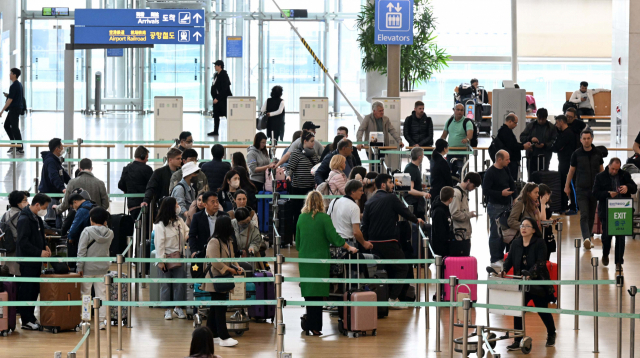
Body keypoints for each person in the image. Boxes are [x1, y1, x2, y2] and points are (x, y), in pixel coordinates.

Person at [296, 191, 358, 335]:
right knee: (318, 293)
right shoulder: (324, 218)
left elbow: (298, 244)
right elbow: (334, 238)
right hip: (320, 260)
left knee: (309, 293)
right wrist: (349, 247)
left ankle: (309, 322)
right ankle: (315, 327)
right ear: (320, 202)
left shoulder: (301, 218)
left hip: (305, 259)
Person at [361, 174, 423, 305]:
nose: (393, 185)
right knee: (402, 268)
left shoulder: (369, 202)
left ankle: (381, 297)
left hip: (373, 243)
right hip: (389, 241)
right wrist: (416, 219)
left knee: (381, 270)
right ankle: (392, 299)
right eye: (390, 182)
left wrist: (366, 242)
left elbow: (364, 225)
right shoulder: (391, 198)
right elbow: (405, 212)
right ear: (383, 185)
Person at [502, 217, 557, 349]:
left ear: (533, 230)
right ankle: (517, 339)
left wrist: (529, 274)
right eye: (522, 226)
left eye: (527, 226)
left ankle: (551, 333)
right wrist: (503, 270)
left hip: (537, 283)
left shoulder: (540, 243)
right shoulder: (515, 243)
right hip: (521, 284)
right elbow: (509, 260)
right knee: (518, 310)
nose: (523, 228)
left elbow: (540, 263)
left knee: (542, 310)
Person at [202, 216, 242, 347]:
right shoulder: (214, 241)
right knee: (220, 307)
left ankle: (211, 334)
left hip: (223, 277)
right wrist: (229, 269)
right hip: (215, 278)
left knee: (215, 307)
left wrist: (237, 266)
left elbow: (232, 257)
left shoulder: (228, 241)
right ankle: (223, 336)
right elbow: (215, 262)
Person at [593, 158, 637, 270]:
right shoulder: (600, 177)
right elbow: (595, 194)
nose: (614, 171)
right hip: (607, 212)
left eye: (616, 169)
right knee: (607, 237)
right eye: (612, 169)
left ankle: (619, 263)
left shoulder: (625, 175)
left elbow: (634, 188)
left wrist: (627, 187)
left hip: (622, 211)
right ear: (608, 166)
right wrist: (607, 194)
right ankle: (605, 254)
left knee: (621, 238)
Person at [16, 193, 51, 330]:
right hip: (28, 260)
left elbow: (40, 235)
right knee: (27, 289)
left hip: (36, 260)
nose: (45, 210)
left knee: (34, 289)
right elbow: (23, 242)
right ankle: (26, 320)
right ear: (37, 204)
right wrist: (38, 252)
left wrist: (45, 246)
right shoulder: (24, 219)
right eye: (45, 207)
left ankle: (30, 317)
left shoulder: (37, 218)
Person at [565, 128, 604, 250]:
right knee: (584, 214)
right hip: (581, 188)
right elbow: (571, 171)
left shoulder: (598, 153)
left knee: (592, 214)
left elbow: (601, 169)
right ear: (581, 140)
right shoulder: (576, 154)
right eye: (584, 139)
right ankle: (586, 238)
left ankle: (589, 237)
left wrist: (605, 185)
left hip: (595, 189)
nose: (586, 141)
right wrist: (567, 186)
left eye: (588, 138)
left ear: (592, 139)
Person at [76, 207, 113, 330]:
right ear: (105, 221)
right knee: (102, 295)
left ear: (91, 219)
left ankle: (85, 320)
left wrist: (79, 267)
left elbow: (81, 251)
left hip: (87, 268)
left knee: (86, 294)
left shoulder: (87, 231)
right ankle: (102, 321)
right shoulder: (110, 233)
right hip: (102, 268)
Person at [153, 197, 189, 320]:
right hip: (165, 258)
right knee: (165, 285)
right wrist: (161, 261)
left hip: (178, 257)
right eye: (176, 204)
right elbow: (159, 243)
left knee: (179, 283)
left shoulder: (179, 221)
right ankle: (167, 309)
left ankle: (178, 307)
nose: (178, 206)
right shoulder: (160, 224)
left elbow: (186, 233)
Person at [483, 150, 516, 269]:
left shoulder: (506, 169)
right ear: (499, 159)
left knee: (506, 233)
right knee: (496, 233)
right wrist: (501, 193)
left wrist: (515, 197)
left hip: (507, 206)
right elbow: (486, 191)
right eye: (507, 159)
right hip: (495, 206)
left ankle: (505, 256)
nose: (509, 161)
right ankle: (495, 258)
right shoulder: (490, 173)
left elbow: (512, 183)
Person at [286, 131, 321, 227]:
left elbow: (317, 167)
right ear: (305, 141)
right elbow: (290, 167)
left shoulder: (313, 154)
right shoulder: (296, 153)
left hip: (310, 188)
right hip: (298, 188)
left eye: (314, 141)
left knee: (309, 213)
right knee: (297, 214)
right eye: (311, 141)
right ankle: (296, 236)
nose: (313, 143)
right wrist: (288, 175)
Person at [327, 180, 373, 251]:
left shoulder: (334, 201)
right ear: (353, 192)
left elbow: (328, 220)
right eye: (360, 190)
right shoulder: (354, 207)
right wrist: (364, 243)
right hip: (347, 244)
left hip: (333, 242)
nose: (362, 193)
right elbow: (356, 232)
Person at [39, 138, 71, 228]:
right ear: (57, 149)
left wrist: (72, 183)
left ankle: (58, 234)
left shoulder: (55, 160)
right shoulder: (50, 161)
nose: (63, 149)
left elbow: (63, 174)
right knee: (51, 220)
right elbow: (54, 177)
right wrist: (62, 188)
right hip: (50, 195)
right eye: (62, 147)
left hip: (55, 195)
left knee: (57, 216)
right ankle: (54, 238)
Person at [189, 191, 229, 258]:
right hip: (203, 252)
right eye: (213, 202)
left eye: (217, 201)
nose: (216, 204)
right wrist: (193, 251)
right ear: (205, 204)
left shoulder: (225, 216)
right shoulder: (197, 217)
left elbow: (231, 235)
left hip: (221, 252)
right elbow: (192, 235)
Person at [551, 115, 578, 214]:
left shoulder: (568, 134)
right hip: (562, 162)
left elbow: (557, 147)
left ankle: (574, 207)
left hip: (568, 163)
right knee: (563, 183)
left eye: (557, 122)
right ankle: (564, 205)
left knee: (570, 184)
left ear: (561, 122)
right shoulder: (562, 133)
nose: (556, 125)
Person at [119, 146, 153, 221]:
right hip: (144, 204)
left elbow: (120, 185)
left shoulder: (126, 168)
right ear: (142, 156)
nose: (147, 159)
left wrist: (127, 190)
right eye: (147, 157)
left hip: (132, 206)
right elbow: (152, 186)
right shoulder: (147, 169)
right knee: (145, 229)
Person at [520, 108, 557, 176]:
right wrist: (530, 139)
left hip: (545, 155)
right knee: (531, 176)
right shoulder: (531, 125)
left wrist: (545, 145)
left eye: (542, 119)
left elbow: (554, 141)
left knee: (543, 176)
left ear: (546, 118)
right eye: (539, 119)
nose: (540, 121)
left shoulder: (551, 127)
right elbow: (522, 137)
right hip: (531, 154)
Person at [441, 103, 474, 177]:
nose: (460, 112)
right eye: (458, 110)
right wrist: (439, 143)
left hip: (462, 152)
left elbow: (470, 134)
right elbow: (444, 135)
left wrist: (467, 139)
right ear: (454, 110)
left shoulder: (467, 122)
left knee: (461, 173)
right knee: (449, 172)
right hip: (450, 151)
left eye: (462, 110)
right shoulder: (449, 121)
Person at [1, 191, 29, 276]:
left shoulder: (5, 214)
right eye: (25, 200)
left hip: (8, 247)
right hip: (19, 248)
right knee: (19, 274)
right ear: (18, 202)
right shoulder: (23, 215)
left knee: (8, 273)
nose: (27, 202)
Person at [497, 113, 532, 180]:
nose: (516, 125)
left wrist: (522, 145)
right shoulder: (505, 131)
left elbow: (513, 144)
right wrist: (523, 146)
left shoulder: (504, 130)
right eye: (515, 123)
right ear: (510, 121)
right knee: (511, 179)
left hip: (510, 160)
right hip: (510, 160)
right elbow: (512, 146)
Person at [450, 172, 482, 242]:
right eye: (474, 186)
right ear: (468, 181)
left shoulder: (463, 193)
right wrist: (469, 215)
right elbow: (454, 213)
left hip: (464, 233)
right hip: (459, 234)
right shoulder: (457, 193)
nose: (473, 188)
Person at [67, 192, 97, 267]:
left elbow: (74, 228)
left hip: (85, 240)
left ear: (75, 202)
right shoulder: (94, 206)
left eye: (73, 206)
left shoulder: (82, 211)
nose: (74, 209)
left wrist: (70, 237)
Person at [1, 68, 24, 154]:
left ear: (14, 75)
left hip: (14, 109)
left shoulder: (14, 85)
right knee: (7, 125)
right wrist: (8, 95)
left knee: (14, 128)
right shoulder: (18, 84)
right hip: (16, 108)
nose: (9, 75)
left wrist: (2, 110)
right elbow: (14, 96)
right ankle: (14, 144)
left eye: (11, 73)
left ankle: (19, 147)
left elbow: (10, 100)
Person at [404, 147, 431, 220]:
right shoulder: (411, 169)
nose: (423, 157)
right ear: (419, 157)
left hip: (415, 201)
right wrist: (423, 194)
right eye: (423, 155)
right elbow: (410, 190)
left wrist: (419, 185)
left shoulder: (412, 167)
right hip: (413, 202)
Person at [209, 60, 232, 136]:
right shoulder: (216, 75)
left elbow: (224, 89)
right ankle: (215, 131)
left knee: (227, 114)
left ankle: (232, 129)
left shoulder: (224, 75)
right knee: (216, 115)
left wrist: (217, 98)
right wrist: (214, 97)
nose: (214, 66)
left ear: (220, 66)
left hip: (223, 99)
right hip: (216, 99)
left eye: (216, 65)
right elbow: (214, 86)